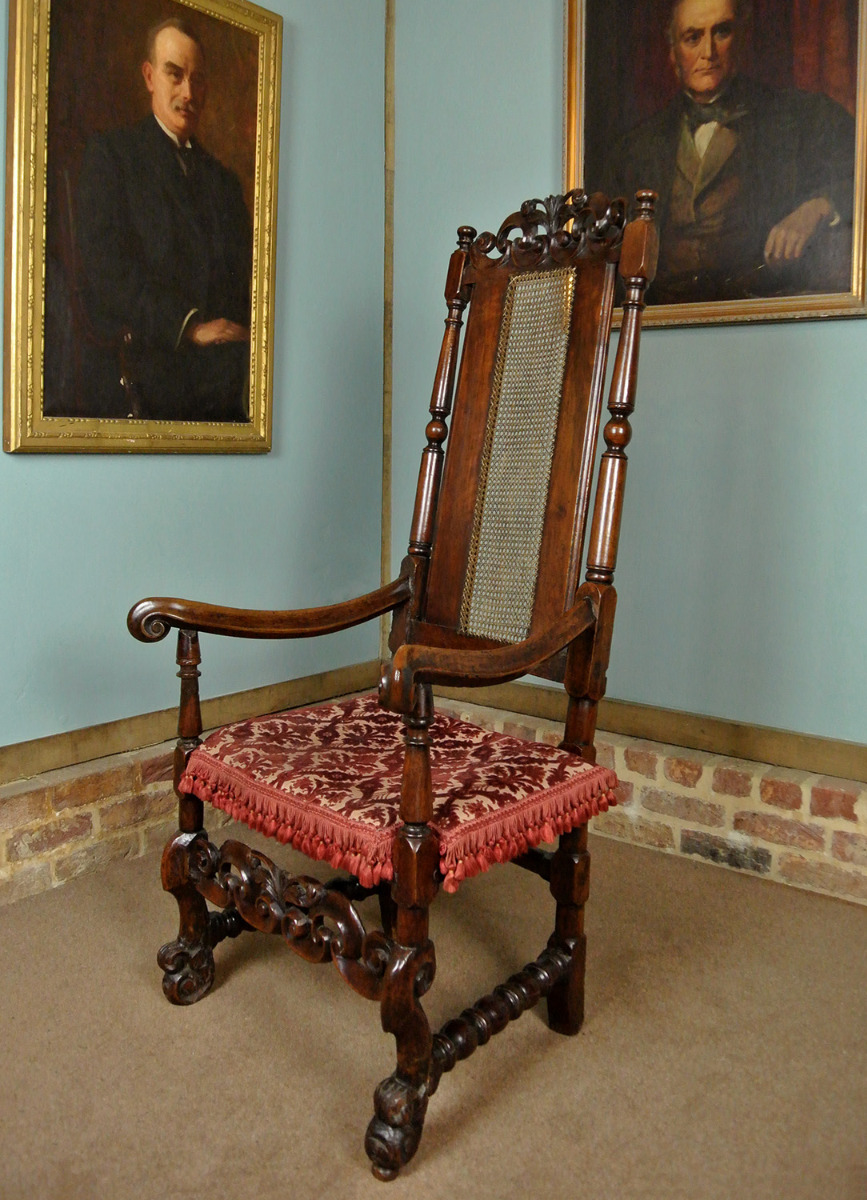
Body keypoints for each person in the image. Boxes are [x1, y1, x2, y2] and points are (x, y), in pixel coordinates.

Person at [601, 0, 856, 304]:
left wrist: (817, 207)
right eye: (692, 37)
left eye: (721, 32)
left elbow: (857, 174)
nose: (708, 52)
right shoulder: (634, 148)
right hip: (662, 317)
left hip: (761, 309)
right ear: (673, 53)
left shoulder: (802, 117)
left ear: (742, 40)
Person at [71, 18, 252, 420]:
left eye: (198, 80)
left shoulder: (223, 182)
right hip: (152, 360)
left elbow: (245, 281)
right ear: (150, 77)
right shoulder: (113, 157)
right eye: (175, 75)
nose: (189, 93)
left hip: (228, 365)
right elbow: (107, 272)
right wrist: (190, 327)